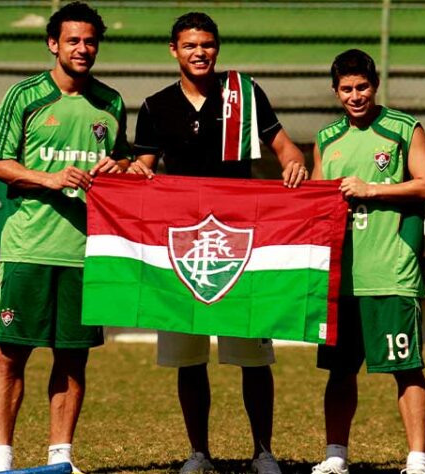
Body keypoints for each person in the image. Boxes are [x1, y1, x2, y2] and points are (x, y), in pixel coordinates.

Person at [127, 12, 307, 474]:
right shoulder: (155, 105)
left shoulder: (244, 93)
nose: (199, 52)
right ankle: (198, 453)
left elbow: (285, 147)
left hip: (239, 240)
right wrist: (136, 171)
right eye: (189, 45)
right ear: (173, 51)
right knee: (190, 356)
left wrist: (293, 162)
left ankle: (263, 451)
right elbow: (141, 165)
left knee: (252, 356)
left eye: (206, 44)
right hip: (182, 245)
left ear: (218, 47)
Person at [0, 2, 129, 472]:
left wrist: (119, 166)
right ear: (53, 44)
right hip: (30, 246)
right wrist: (49, 178)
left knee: (73, 358)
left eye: (89, 41)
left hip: (86, 252)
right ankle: (2, 459)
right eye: (73, 41)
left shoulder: (112, 102)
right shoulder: (24, 96)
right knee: (11, 354)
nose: (82, 49)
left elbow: (124, 162)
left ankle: (60, 459)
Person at [310, 49, 425, 474]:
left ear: (375, 85)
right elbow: (314, 197)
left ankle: (417, 459)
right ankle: (335, 456)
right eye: (346, 89)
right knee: (339, 372)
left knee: (407, 368)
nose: (355, 96)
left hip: (391, 272)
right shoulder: (326, 139)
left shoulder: (403, 128)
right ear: (335, 91)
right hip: (342, 278)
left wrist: (371, 190)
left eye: (362, 87)